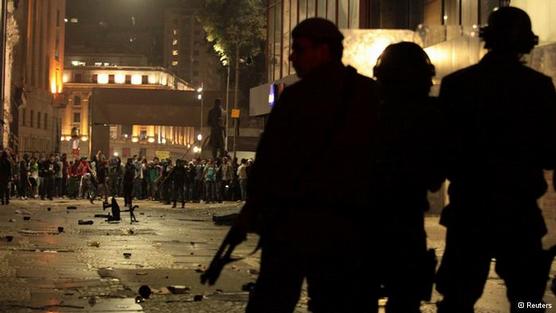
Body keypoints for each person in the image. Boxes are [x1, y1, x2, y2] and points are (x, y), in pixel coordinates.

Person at [233, 18, 380, 313]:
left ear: (323, 51)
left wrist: (255, 210)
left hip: (298, 224)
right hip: (345, 226)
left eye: (299, 50)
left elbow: (269, 162)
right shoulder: (369, 94)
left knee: (275, 299)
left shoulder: (296, 99)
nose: (292, 58)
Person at [435, 7, 556, 313]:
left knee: (457, 300)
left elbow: (444, 149)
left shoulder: (457, 85)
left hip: (469, 209)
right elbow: (551, 152)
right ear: (527, 42)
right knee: (528, 299)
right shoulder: (539, 87)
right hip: (519, 210)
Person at [372, 42, 444, 313]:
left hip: (363, 220)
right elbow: (436, 176)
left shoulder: (364, 109)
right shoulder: (430, 115)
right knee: (405, 301)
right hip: (407, 220)